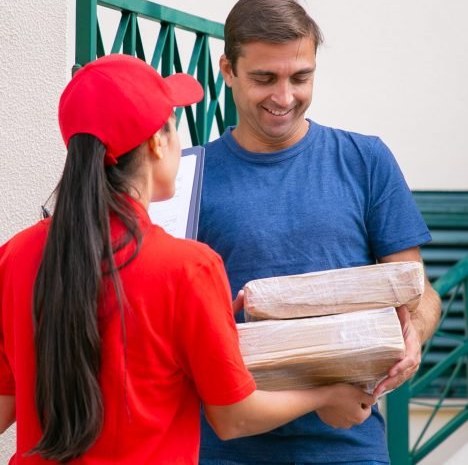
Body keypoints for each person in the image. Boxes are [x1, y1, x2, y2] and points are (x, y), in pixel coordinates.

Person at [0, 54, 377, 464]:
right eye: (174, 124)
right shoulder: (187, 268)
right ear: (156, 142)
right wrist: (326, 393)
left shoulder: (15, 256)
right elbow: (233, 418)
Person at [197, 0, 442, 464]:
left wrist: (414, 338)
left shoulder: (365, 160)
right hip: (223, 447)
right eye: (264, 78)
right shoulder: (190, 176)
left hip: (348, 443)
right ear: (227, 70)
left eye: (301, 77)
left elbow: (419, 292)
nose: (284, 97)